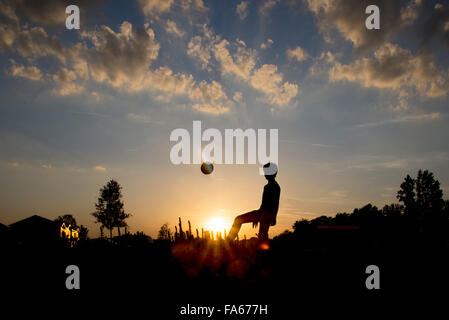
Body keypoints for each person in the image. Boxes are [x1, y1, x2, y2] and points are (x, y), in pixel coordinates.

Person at [227, 162, 280, 242]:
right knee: (238, 220)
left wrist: (274, 216)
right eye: (265, 172)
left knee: (262, 234)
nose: (265, 174)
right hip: (262, 213)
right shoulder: (267, 186)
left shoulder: (275, 186)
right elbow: (263, 204)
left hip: (267, 214)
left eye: (267, 172)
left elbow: (276, 203)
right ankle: (228, 242)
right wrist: (257, 216)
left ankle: (227, 242)